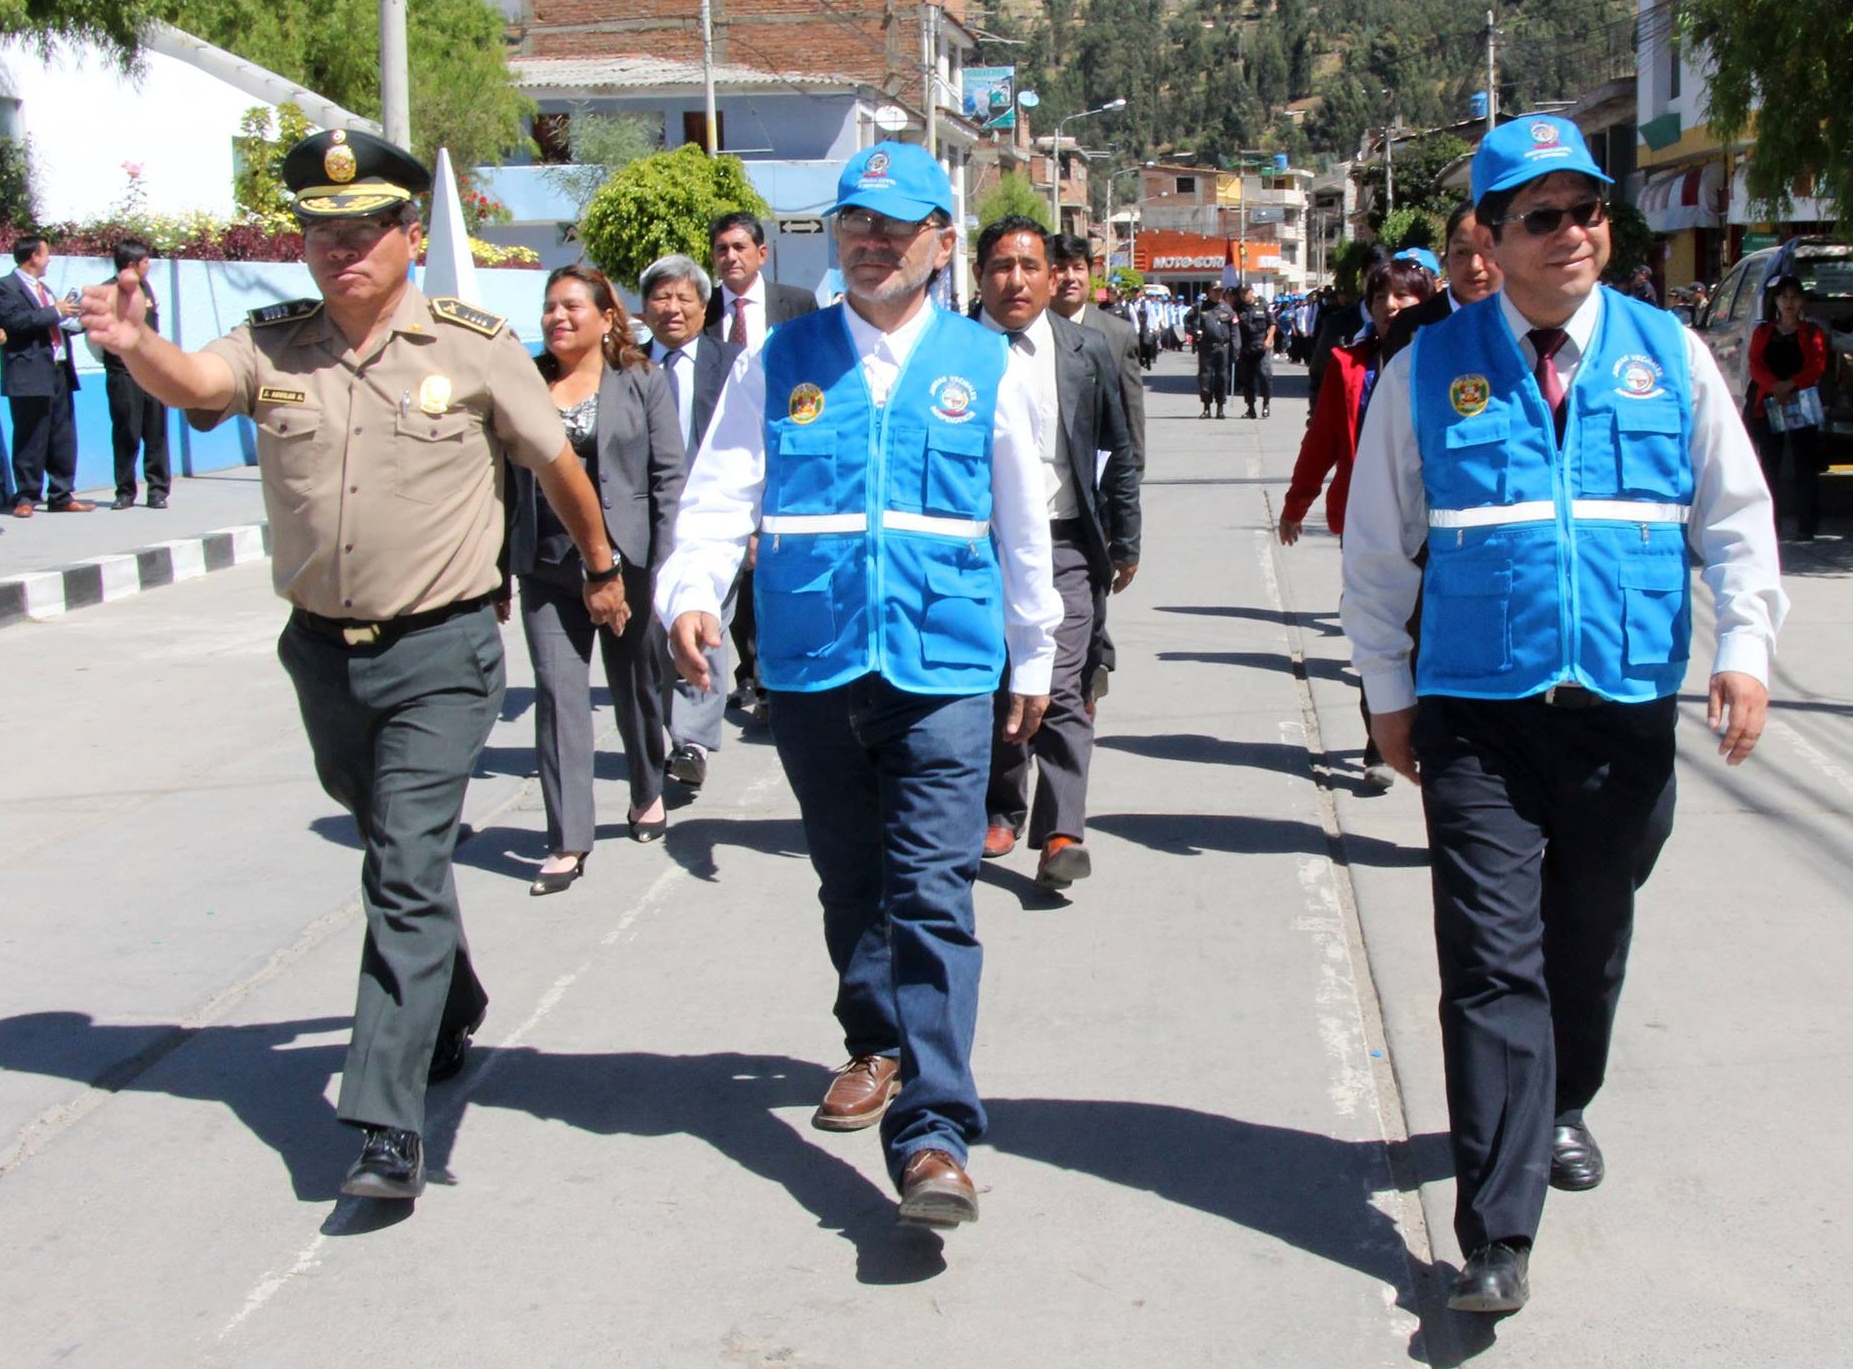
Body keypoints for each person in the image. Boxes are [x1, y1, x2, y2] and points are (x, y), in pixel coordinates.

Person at [78, 128, 628, 1202]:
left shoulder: (469, 347)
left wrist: (601, 565)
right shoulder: (273, 343)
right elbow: (195, 385)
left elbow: (555, 463)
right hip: (323, 656)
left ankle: (384, 1116)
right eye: (322, 232)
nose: (341, 250)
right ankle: (451, 995)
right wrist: (136, 344)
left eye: (364, 230)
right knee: (395, 850)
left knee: (402, 862)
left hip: (442, 648)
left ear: (409, 237)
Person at [1341, 115, 1787, 1314]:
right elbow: (1378, 548)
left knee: (1584, 937)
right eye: (1541, 216)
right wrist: (1386, 691)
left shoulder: (1666, 353)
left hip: (1622, 704)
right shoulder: (1423, 369)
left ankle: (1566, 1094)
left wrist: (1742, 648)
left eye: (1587, 210)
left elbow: (1735, 517)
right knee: (1488, 960)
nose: (1573, 234)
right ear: (1487, 237)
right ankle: (1496, 1228)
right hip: (1477, 713)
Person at [656, 141, 1061, 1227]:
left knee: (932, 890)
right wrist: (690, 590)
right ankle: (874, 1038)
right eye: (853, 223)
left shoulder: (987, 368)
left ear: (940, 241)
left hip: (940, 665)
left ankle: (932, 1135)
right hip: (811, 663)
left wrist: (1035, 651)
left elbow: (1025, 523)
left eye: (894, 224)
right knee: (849, 884)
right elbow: (717, 492)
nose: (871, 241)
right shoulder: (781, 356)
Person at [973, 216, 1139, 889]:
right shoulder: (954, 350)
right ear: (979, 275)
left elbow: (1115, 450)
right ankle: (1001, 807)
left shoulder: (1082, 351)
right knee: (997, 678)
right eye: (1000, 267)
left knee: (1062, 681)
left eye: (1029, 266)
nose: (1015, 280)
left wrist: (1125, 535)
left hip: (1063, 538)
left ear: (1050, 277)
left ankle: (1062, 829)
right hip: (975, 547)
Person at [513, 265, 685, 894]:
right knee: (559, 694)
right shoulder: (527, 381)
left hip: (629, 562)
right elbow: (502, 480)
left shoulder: (640, 379)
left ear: (606, 316)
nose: (557, 318)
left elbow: (668, 475)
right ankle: (568, 839)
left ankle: (646, 787)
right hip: (547, 567)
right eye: (548, 308)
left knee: (636, 682)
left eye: (570, 307)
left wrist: (666, 568)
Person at [1280, 258, 1433, 792]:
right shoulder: (1352, 365)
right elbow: (1321, 437)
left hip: (1442, 527)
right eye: (1380, 298)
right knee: (1380, 623)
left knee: (1428, 636)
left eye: (1403, 296)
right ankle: (1378, 733)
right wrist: (1297, 502)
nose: (1390, 306)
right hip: (1367, 519)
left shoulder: (1448, 359)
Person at [638, 253, 745, 788]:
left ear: (705, 307)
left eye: (685, 298)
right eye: (662, 297)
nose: (673, 309)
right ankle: (658, 726)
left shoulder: (734, 364)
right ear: (644, 307)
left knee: (707, 624)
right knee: (655, 631)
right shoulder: (627, 367)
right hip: (644, 520)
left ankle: (692, 741)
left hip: (714, 518)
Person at [1, 234, 92, 516]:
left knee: (62, 435)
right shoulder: (7, 288)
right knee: (31, 435)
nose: (50, 259)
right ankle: (27, 496)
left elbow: (51, 322)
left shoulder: (44, 289)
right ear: (33, 257)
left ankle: (61, 494)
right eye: (46, 254)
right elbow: (17, 321)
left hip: (58, 370)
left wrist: (77, 319)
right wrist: (55, 311)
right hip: (29, 373)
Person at [1047, 233, 1146, 475]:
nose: (1070, 277)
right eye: (1060, 268)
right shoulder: (1027, 330)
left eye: (1078, 268)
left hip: (1097, 479)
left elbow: (1131, 413)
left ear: (1090, 274)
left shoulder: (1117, 335)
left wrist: (1133, 474)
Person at [1746, 273, 1829, 541]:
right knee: (1770, 467)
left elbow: (1816, 365)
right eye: (1784, 297)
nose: (1789, 302)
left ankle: (1806, 526)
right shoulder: (1763, 331)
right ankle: (1771, 524)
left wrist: (1790, 385)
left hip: (1801, 404)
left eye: (1794, 296)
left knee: (1805, 466)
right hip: (1768, 404)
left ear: (1802, 300)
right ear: (1776, 301)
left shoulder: (1811, 331)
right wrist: (1774, 386)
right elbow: (1755, 365)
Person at [1382, 203, 1505, 362]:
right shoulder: (1411, 327)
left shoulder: (1527, 319)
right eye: (1462, 252)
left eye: (1487, 251)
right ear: (1446, 260)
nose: (1475, 266)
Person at [102, 239, 171, 510]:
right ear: (131, 265)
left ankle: (157, 490)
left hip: (151, 373)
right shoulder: (109, 291)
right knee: (126, 432)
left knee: (155, 432)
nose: (149, 265)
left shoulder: (146, 288)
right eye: (145, 261)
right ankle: (125, 491)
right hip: (123, 373)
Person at [704, 210, 819, 349]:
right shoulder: (700, 308)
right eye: (722, 249)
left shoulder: (800, 305)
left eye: (739, 247)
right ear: (713, 258)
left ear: (762, 254)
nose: (731, 257)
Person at [1189, 286, 1234, 418]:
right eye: (1215, 291)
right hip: (1206, 347)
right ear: (1209, 292)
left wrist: (1236, 346)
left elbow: (1234, 329)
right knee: (1205, 377)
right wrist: (1194, 332)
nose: (1218, 293)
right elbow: (1188, 322)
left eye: (1220, 291)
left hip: (1222, 348)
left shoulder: (1227, 308)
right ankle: (1206, 407)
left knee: (1222, 377)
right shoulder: (1200, 307)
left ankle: (1220, 408)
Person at [1233, 283, 1275, 418]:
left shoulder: (1262, 305)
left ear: (1252, 291)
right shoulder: (1238, 308)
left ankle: (1266, 403)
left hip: (1261, 346)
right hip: (1246, 347)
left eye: (1246, 292)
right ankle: (1251, 408)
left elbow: (1273, 323)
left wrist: (1269, 339)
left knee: (1264, 375)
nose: (1244, 295)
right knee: (1247, 379)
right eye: (1241, 293)